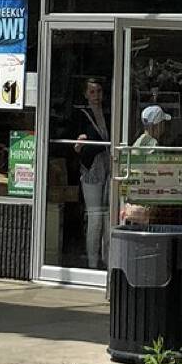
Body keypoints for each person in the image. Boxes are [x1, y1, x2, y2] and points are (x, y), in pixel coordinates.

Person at [71, 77, 111, 262]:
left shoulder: (109, 113)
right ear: (86, 94)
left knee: (108, 217)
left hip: (109, 167)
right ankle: (92, 262)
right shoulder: (80, 115)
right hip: (91, 169)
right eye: (92, 92)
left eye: (99, 91)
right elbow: (75, 145)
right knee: (95, 217)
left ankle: (107, 260)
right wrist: (79, 142)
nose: (96, 95)